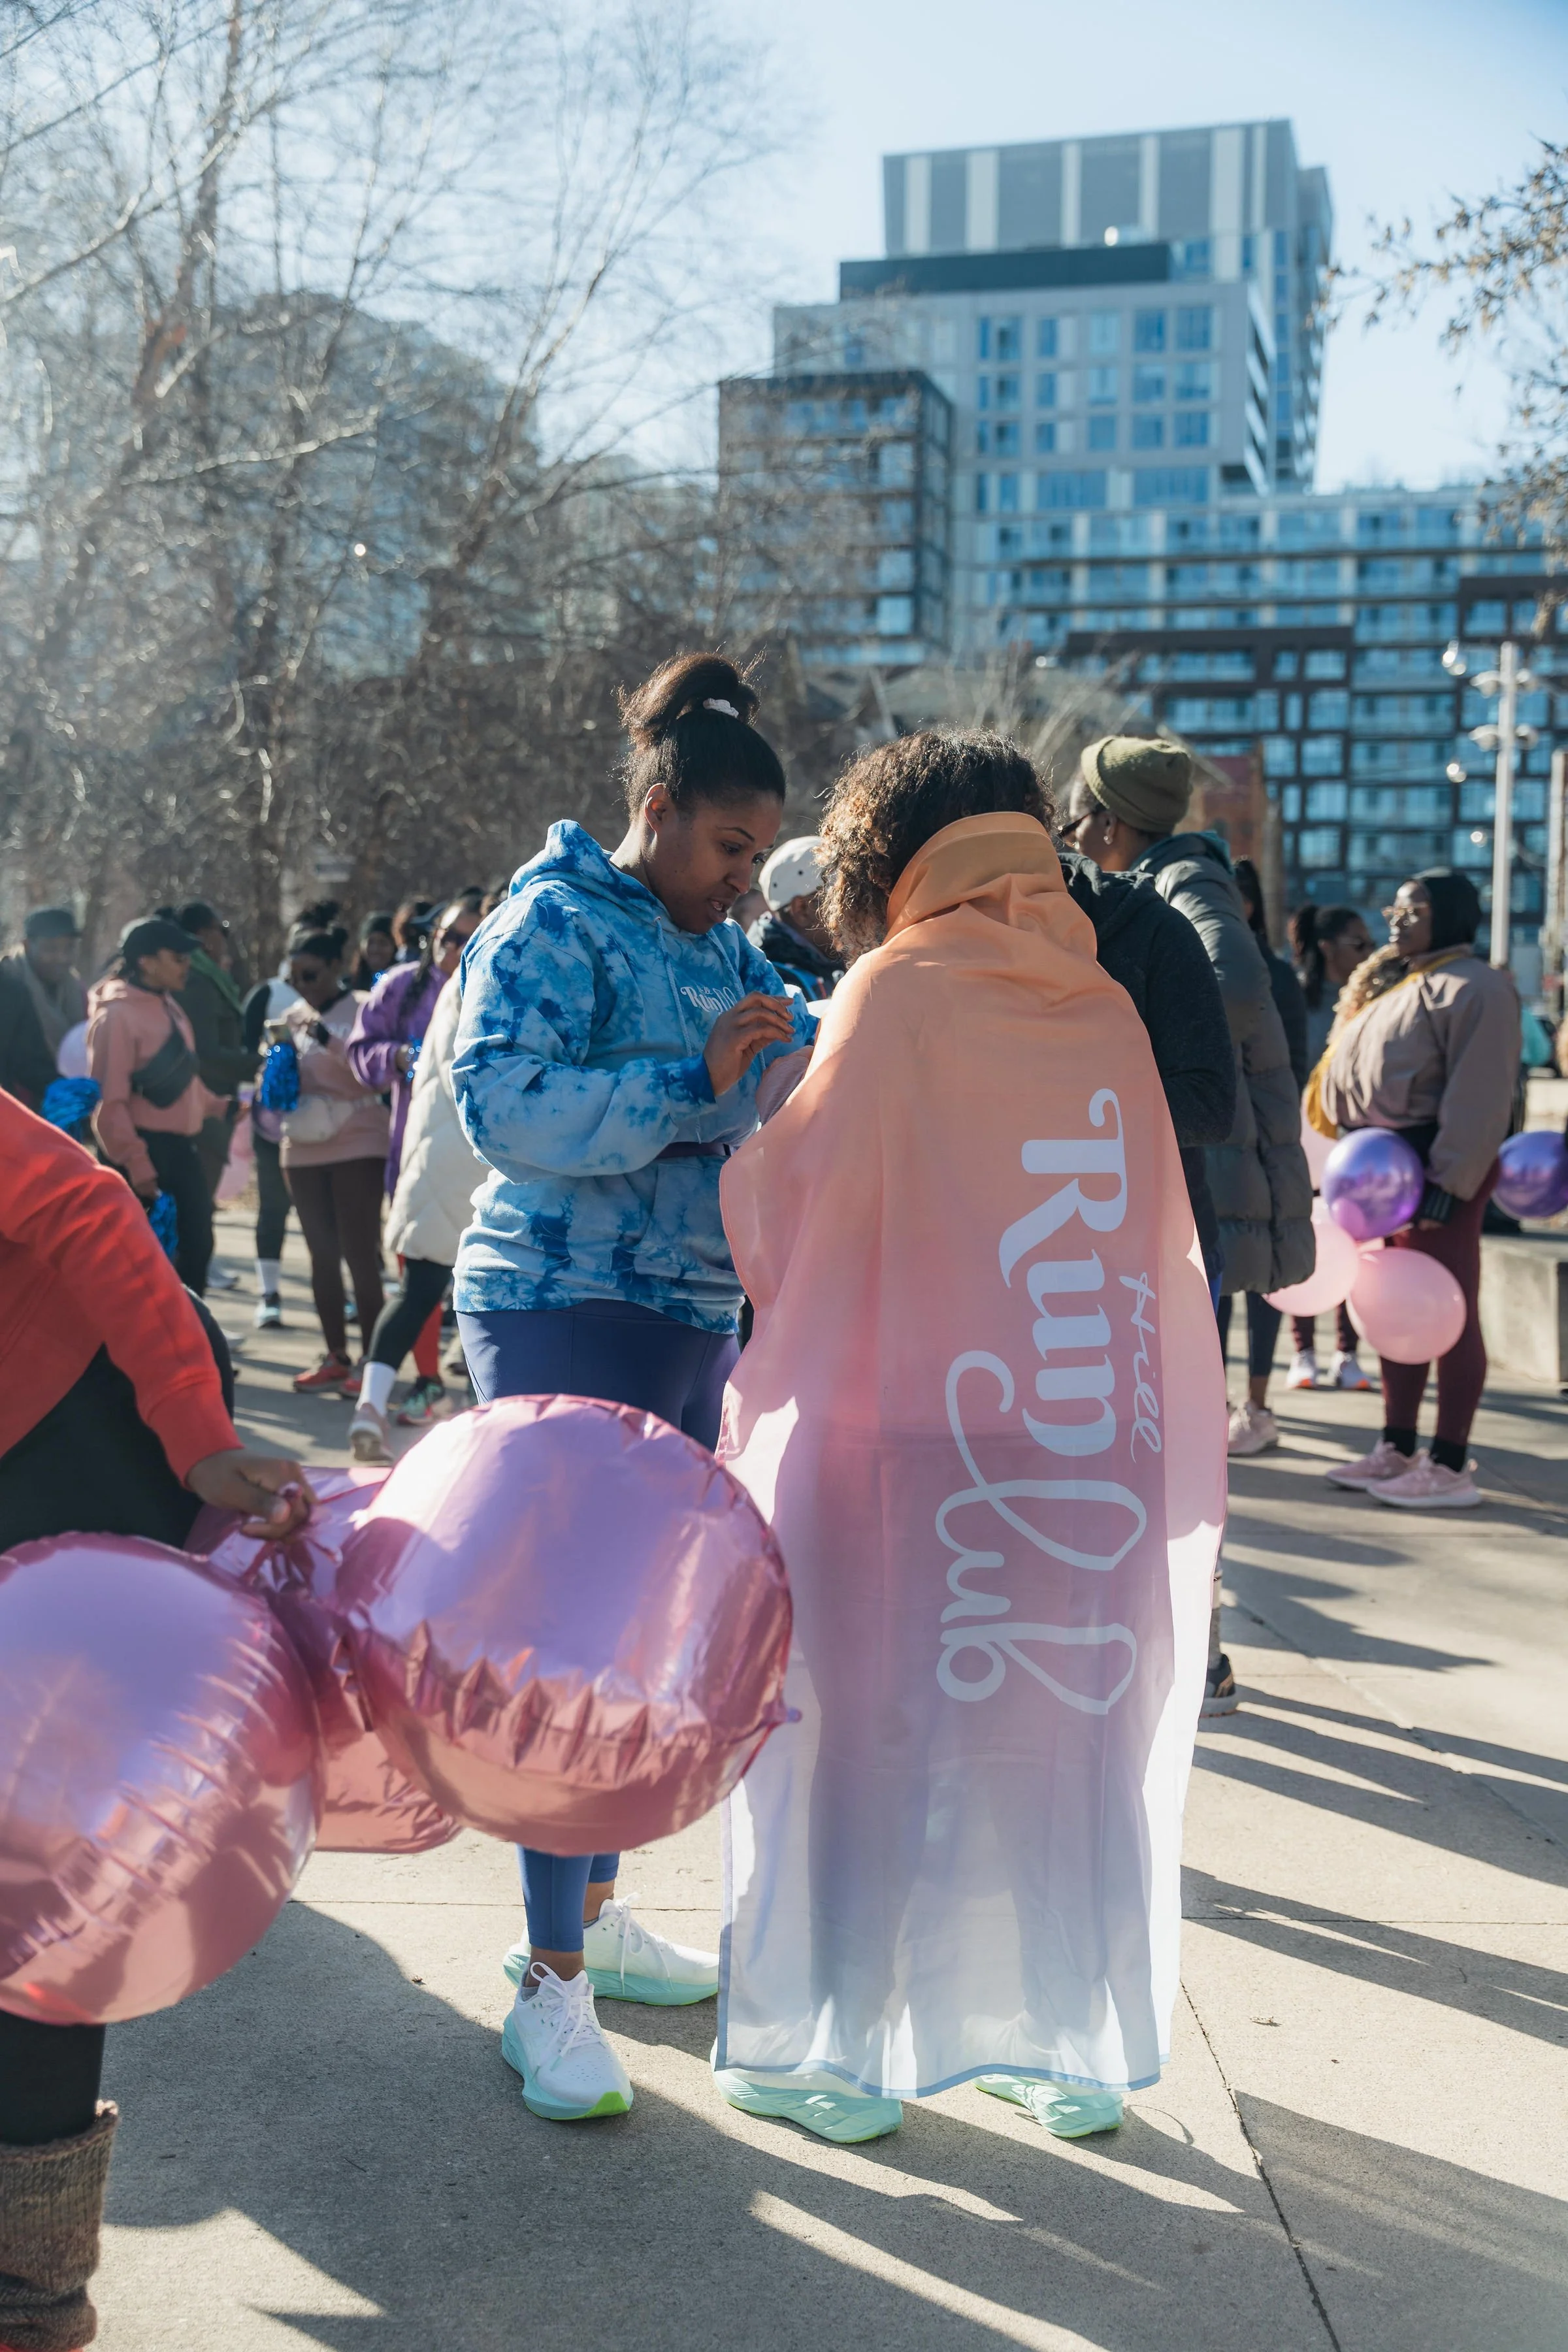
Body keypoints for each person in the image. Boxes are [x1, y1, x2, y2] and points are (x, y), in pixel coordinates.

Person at [711, 728, 1224, 2147]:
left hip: (899, 1439)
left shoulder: (890, 993)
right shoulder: (1100, 1006)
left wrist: (764, 1098)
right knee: (1058, 1740)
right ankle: (1057, 2042)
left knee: (866, 1742)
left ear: (895, 858)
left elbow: (802, 1214)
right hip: (1073, 1440)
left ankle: (836, 2052)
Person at [451, 651, 814, 2125]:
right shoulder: (544, 922)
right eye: (728, 847)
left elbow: (761, 1088)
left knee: (643, 1649)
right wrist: (689, 1090)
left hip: (682, 1314)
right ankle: (549, 1986)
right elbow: (503, 1105)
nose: (743, 883)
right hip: (557, 1305)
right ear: (658, 809)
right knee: (565, 1654)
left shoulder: (726, 948)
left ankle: (591, 1917)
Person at [0, 1087, 312, 2352]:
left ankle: (31, 2292)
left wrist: (197, 1439)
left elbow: (85, 1203)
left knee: (39, 1871)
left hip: (82, 1416)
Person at [1062, 739, 1312, 1465]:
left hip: (1204, 1142)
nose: (1073, 844)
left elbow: (1233, 980)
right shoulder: (1163, 876)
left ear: (1110, 824)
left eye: (1077, 825)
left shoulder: (1182, 880)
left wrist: (1175, 1039)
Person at [1317, 868, 1518, 1509]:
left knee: (1448, 1312)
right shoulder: (1405, 983)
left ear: (1451, 915)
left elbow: (1483, 1095)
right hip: (1384, 1174)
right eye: (1395, 909)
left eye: (1415, 910)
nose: (1398, 921)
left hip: (1434, 1170)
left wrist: (1450, 1182)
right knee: (1395, 1307)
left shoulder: (1476, 986)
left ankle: (1451, 1462)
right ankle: (1398, 1445)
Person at [1053, 832, 1235, 1294]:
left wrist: (1054, 1110)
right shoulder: (943, 940)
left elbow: (1207, 1103)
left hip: (1154, 1257)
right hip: (1025, 1258)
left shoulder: (1152, 925)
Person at [348, 949, 489, 1462]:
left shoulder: (458, 981)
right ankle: (485, 1434)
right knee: (490, 1302)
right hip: (480, 1164)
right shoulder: (503, 968)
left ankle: (370, 1407)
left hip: (433, 1160)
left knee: (419, 1292)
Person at [86, 916, 228, 1294]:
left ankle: (188, 1343)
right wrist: (138, 1165)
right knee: (144, 1263)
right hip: (140, 1153)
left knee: (196, 1248)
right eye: (178, 957)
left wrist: (218, 1106)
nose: (187, 965)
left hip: (177, 1150)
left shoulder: (168, 1006)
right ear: (146, 962)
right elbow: (109, 1104)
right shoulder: (116, 1016)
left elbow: (179, 1082)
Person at [277, 924, 391, 1395]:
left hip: (357, 1144)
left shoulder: (365, 1008)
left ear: (336, 968)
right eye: (295, 978)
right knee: (321, 1257)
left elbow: (376, 1075)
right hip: (301, 1150)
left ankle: (373, 1361)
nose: (304, 986)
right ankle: (335, 1357)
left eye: (312, 975)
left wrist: (327, 1039)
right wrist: (276, 1062)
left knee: (360, 1256)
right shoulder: (290, 1016)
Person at [1285, 900, 1376, 1389]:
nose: (1370, 952)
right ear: (1326, 947)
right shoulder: (1299, 998)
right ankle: (1304, 1354)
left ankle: (1347, 1353)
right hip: (1304, 1140)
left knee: (1353, 1241)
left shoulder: (1370, 1002)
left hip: (1355, 1143)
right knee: (1307, 1239)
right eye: (1359, 943)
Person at [173, 899, 258, 1215]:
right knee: (193, 1219)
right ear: (205, 936)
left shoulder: (207, 977)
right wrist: (260, 1062)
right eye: (223, 930)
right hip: (203, 1111)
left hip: (211, 1104)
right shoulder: (196, 981)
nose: (226, 939)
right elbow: (205, 1055)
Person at [0, 905, 89, 1105]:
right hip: (17, 1106)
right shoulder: (9, 986)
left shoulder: (78, 991)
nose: (61, 958)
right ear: (27, 945)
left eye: (69, 948)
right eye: (51, 949)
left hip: (60, 1101)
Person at [747, 836, 842, 998]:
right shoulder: (771, 983)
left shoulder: (828, 964)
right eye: (841, 900)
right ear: (803, 909)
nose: (858, 913)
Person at [350, 909, 397, 993]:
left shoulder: (403, 985)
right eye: (370, 942)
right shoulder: (349, 986)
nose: (375, 949)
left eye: (383, 943)